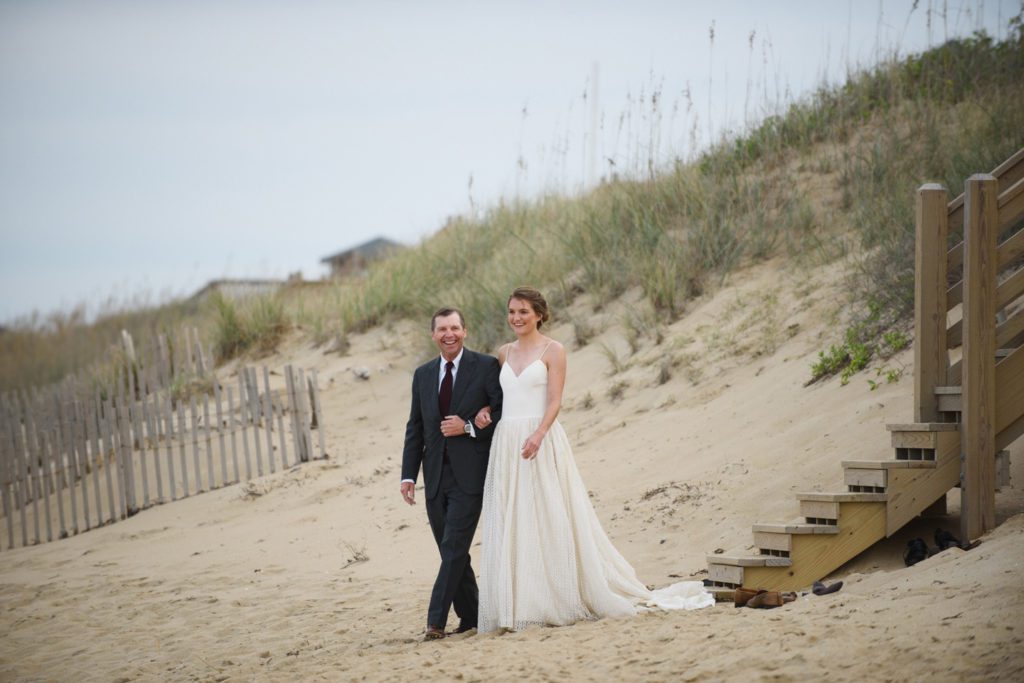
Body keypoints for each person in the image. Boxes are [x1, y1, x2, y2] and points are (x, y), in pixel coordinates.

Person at [474, 287, 712, 633]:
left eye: (523, 311)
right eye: (512, 311)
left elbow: (555, 401)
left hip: (540, 437)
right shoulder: (503, 353)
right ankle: (520, 601)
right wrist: (484, 411)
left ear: (539, 313)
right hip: (507, 440)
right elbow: (499, 398)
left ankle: (558, 594)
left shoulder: (554, 350)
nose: (516, 318)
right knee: (515, 516)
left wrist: (539, 434)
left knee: (550, 512)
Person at [400, 307, 503, 641]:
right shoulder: (423, 374)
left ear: (465, 331)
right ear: (433, 334)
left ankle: (435, 621)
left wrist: (470, 426)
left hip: (470, 475)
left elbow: (503, 414)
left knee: (454, 545)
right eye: (442, 329)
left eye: (455, 328)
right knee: (451, 551)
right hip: (434, 477)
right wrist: (408, 476)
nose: (449, 334)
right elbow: (415, 427)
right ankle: (472, 616)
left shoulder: (486, 366)